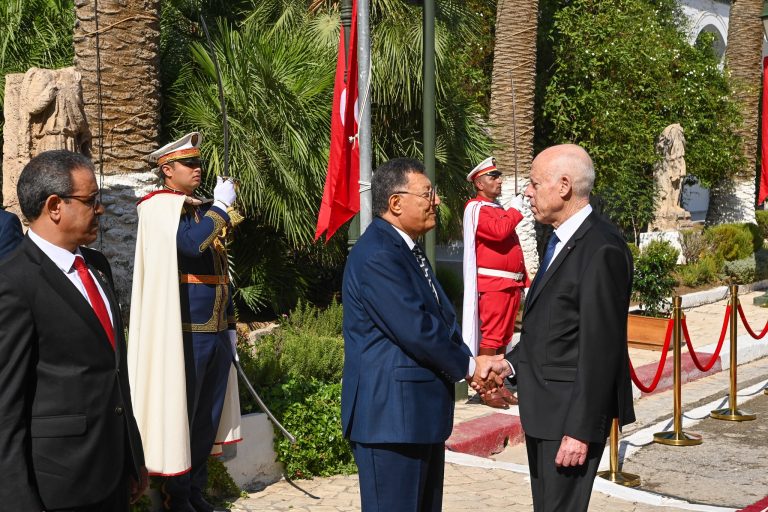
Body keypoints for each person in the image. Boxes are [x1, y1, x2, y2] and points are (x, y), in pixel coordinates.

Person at [476, 144, 635, 512]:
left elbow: (601, 349)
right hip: (547, 413)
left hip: (569, 420)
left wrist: (580, 430)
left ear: (564, 186)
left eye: (534, 183)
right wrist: (509, 364)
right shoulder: (560, 238)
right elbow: (554, 330)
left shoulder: (601, 248)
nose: (527, 192)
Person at [342, 157, 496, 512]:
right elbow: (417, 329)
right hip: (391, 422)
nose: (436, 201)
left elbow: (439, 321)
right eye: (427, 194)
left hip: (415, 418)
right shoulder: (378, 254)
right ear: (396, 203)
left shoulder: (405, 249)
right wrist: (471, 369)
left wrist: (472, 363)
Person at [0, 150, 147, 510]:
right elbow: (6, 408)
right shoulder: (14, 282)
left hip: (113, 473)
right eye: (91, 199)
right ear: (55, 206)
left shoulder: (97, 266)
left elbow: (114, 373)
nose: (100, 209)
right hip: (60, 487)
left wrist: (134, 457)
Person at [128, 132, 241, 512]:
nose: (197, 169)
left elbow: (221, 274)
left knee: (206, 418)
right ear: (167, 169)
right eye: (188, 164)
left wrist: (230, 326)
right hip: (185, 334)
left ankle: (194, 489)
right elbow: (191, 245)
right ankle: (176, 496)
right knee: (183, 416)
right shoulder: (159, 208)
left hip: (214, 331)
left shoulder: (196, 210)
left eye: (198, 163)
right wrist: (220, 208)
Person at [462, 156, 528, 408]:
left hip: (509, 284)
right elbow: (499, 233)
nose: (499, 180)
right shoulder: (477, 208)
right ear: (479, 183)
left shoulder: (495, 209)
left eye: (499, 176)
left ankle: (498, 384)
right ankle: (486, 387)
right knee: (491, 338)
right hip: (493, 284)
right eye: (493, 176)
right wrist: (515, 210)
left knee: (503, 338)